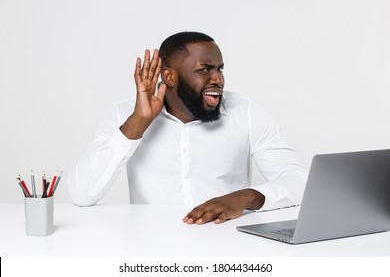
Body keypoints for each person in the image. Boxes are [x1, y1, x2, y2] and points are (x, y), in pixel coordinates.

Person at [68, 31, 307, 225]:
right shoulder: (124, 114)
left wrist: (245, 197)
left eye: (219, 69)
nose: (218, 79)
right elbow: (82, 194)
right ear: (170, 77)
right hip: (150, 250)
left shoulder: (246, 112)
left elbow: (300, 182)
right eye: (204, 69)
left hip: (229, 246)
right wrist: (138, 123)